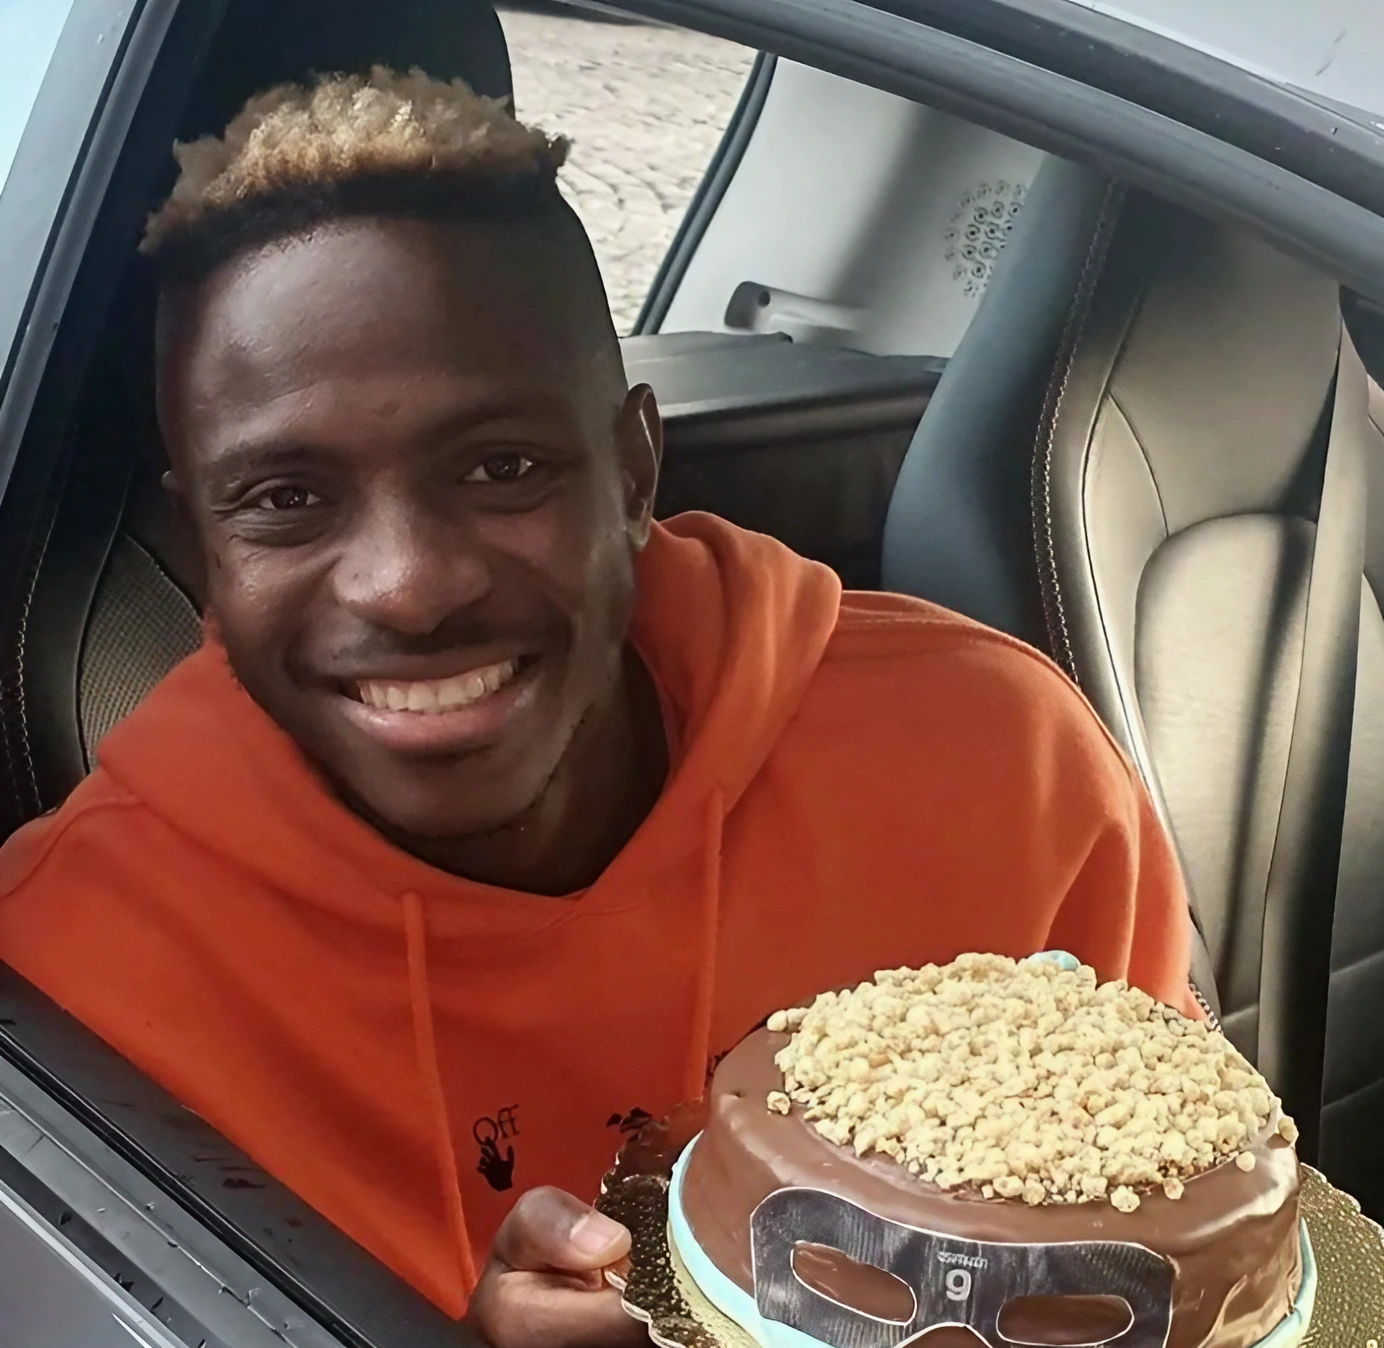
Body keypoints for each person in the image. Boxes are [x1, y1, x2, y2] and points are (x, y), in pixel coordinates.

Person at [0, 68, 1195, 1348]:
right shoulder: (64, 972)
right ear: (203, 544)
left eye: (500, 466)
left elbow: (1185, 1243)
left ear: (631, 471)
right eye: (285, 498)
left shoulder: (994, 760)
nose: (407, 587)